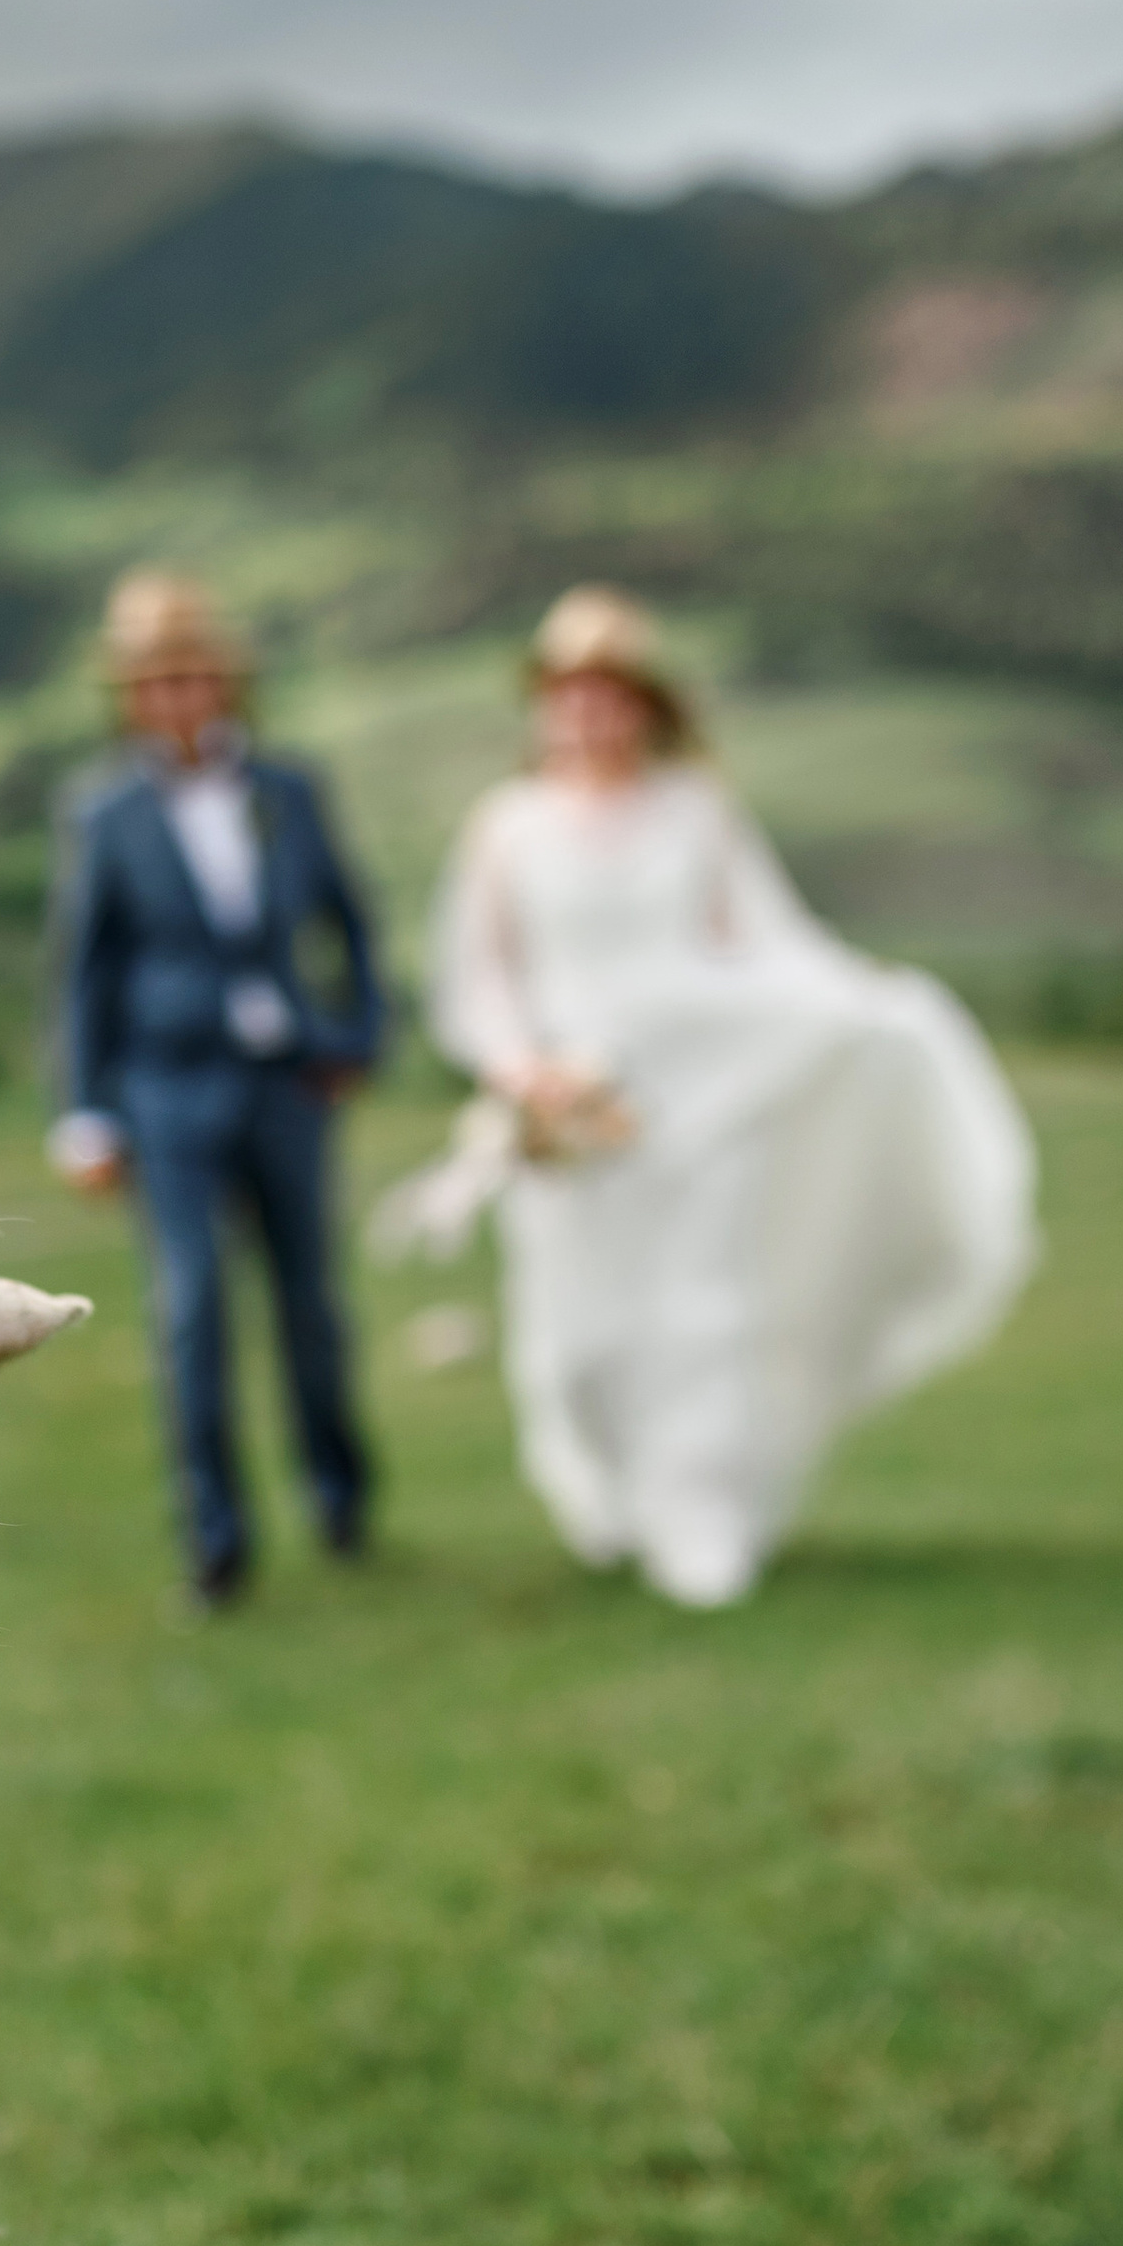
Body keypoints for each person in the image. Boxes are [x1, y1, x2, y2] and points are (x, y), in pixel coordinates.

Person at [423, 584, 1036, 1608]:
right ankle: (610, 1491)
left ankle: (702, 1519)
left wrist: (866, 1010)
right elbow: (482, 980)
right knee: (579, 1330)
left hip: (703, 1100)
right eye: (569, 692)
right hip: (570, 1116)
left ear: (646, 706)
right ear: (543, 704)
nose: (587, 713)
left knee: (700, 1312)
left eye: (609, 693)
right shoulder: (507, 826)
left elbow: (765, 947)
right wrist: (517, 1067)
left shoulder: (696, 812)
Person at [51, 568, 384, 1603]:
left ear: (227, 684)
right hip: (168, 1088)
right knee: (191, 1309)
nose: (177, 699)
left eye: (194, 676)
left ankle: (339, 1495)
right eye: (155, 681)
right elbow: (83, 969)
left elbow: (351, 925)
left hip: (286, 1079)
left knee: (310, 1306)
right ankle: (215, 1538)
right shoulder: (104, 812)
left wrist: (355, 1039)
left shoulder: (288, 792)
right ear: (130, 695)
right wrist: (85, 1110)